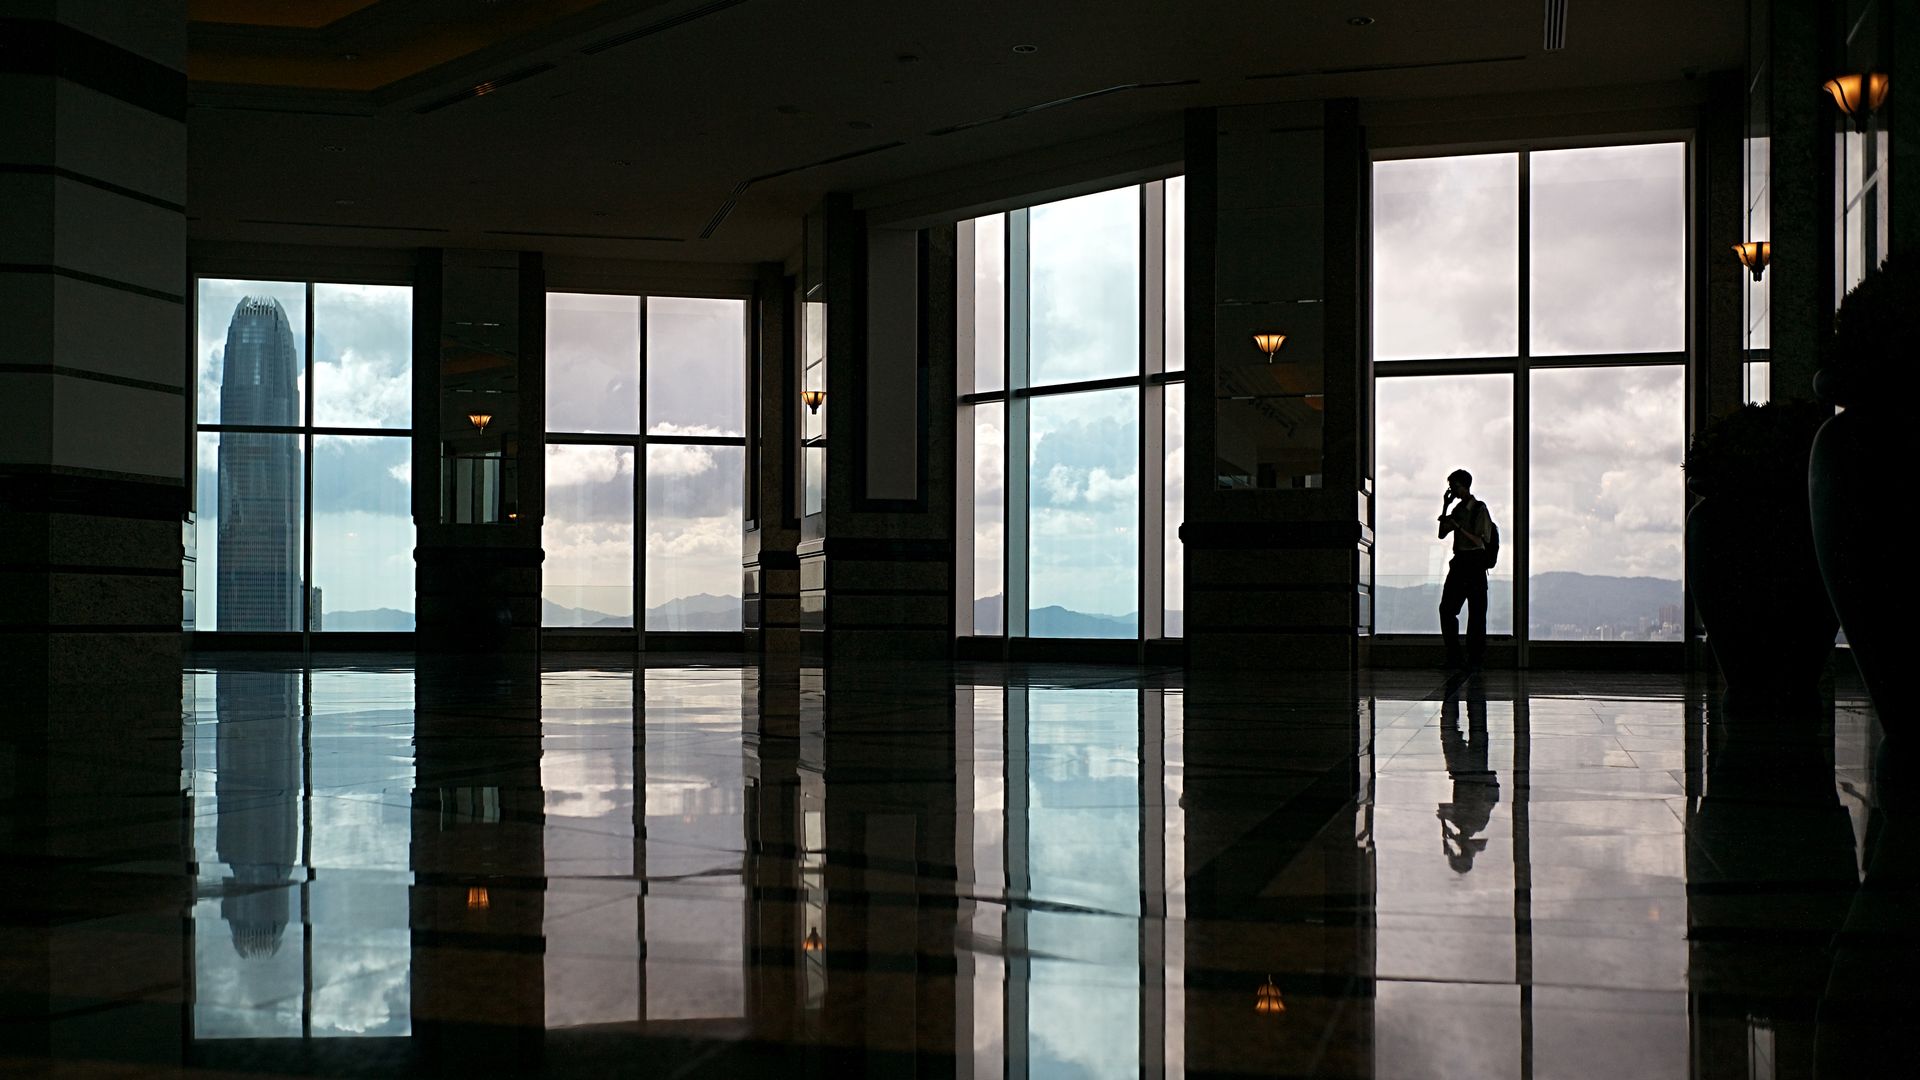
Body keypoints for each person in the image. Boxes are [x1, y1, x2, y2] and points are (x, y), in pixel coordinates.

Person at [1436, 468, 1493, 672]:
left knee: (1476, 615)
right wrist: (1445, 507)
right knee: (1447, 610)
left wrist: (1458, 527)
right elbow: (1442, 533)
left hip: (1474, 565)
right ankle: (1456, 657)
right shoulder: (1458, 509)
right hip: (1460, 564)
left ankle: (1473, 659)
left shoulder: (1479, 509)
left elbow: (1480, 541)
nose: (1453, 490)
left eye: (1455, 486)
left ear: (1465, 485)